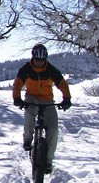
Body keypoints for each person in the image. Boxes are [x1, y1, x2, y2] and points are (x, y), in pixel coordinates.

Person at [11, 43, 72, 173]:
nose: (39, 63)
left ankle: (48, 161)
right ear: (33, 58)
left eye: (42, 61)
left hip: (47, 100)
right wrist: (17, 98)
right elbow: (17, 84)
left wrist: (67, 99)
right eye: (37, 61)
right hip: (31, 98)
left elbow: (62, 84)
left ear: (45, 59)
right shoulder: (26, 69)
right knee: (30, 113)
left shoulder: (51, 69)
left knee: (54, 128)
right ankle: (28, 139)